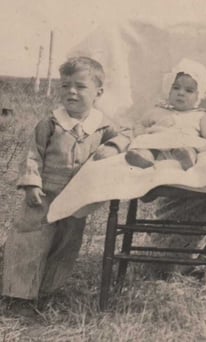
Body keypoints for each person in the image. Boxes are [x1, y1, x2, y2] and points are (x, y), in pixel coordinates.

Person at [1, 56, 129, 315]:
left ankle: (45, 290)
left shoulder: (102, 126)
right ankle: (19, 296)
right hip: (45, 192)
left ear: (98, 92)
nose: (71, 92)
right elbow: (32, 155)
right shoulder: (50, 123)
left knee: (66, 242)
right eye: (65, 85)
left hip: (77, 196)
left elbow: (127, 136)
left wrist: (113, 146)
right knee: (30, 240)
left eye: (80, 86)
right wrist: (31, 184)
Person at [124, 58, 206, 170]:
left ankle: (187, 157)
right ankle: (144, 157)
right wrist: (140, 134)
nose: (181, 93)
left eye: (189, 90)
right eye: (176, 88)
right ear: (168, 89)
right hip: (158, 140)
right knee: (148, 146)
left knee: (190, 148)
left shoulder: (200, 116)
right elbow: (140, 123)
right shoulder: (157, 111)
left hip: (185, 141)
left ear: (199, 95)